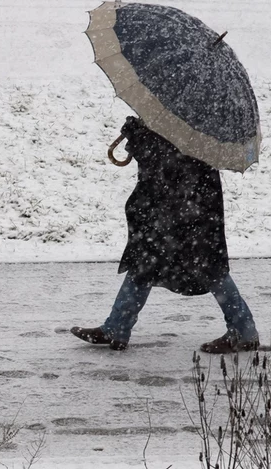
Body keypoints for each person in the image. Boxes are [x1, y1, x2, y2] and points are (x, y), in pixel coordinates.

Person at [71, 116, 259, 353]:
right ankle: (116, 327)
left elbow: (165, 157)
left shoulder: (180, 111)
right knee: (148, 262)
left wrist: (140, 136)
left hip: (183, 202)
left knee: (205, 267)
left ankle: (244, 330)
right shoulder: (198, 111)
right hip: (188, 199)